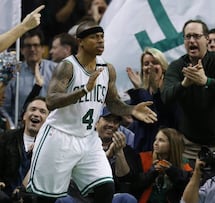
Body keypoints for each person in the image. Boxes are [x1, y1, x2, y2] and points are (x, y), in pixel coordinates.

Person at [26, 20, 157, 203]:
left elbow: (112, 102)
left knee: (106, 188)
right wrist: (84, 90)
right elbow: (51, 101)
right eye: (94, 37)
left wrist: (132, 109)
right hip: (59, 136)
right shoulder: (68, 66)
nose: (101, 41)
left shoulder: (107, 69)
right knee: (45, 198)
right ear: (80, 41)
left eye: (102, 37)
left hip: (88, 138)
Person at [161, 19, 215, 159]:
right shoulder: (177, 66)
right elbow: (166, 96)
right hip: (189, 145)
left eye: (196, 36)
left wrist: (206, 81)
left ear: (207, 39)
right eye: (188, 36)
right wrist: (184, 84)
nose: (191, 40)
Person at [115, 127, 192, 203]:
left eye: (161, 140)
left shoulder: (184, 163)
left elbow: (188, 187)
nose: (155, 143)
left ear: (172, 144)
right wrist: (152, 172)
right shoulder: (143, 158)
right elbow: (134, 185)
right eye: (155, 139)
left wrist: (171, 170)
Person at [126, 47, 179, 152]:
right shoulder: (141, 92)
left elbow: (156, 115)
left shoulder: (172, 89)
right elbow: (137, 117)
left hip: (167, 150)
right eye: (146, 64)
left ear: (163, 66)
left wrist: (142, 90)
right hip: (144, 150)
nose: (150, 66)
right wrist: (138, 90)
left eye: (155, 63)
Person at [0, 96, 49, 202]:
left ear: (48, 121)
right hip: (5, 194)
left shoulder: (50, 146)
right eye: (33, 109)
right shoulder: (7, 137)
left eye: (42, 111)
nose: (36, 114)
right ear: (24, 116)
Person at [4, 28, 58, 124]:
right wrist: (11, 127)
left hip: (50, 130)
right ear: (21, 50)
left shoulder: (56, 70)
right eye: (28, 46)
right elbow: (5, 107)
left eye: (36, 45)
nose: (32, 49)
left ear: (43, 49)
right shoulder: (14, 72)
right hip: (20, 129)